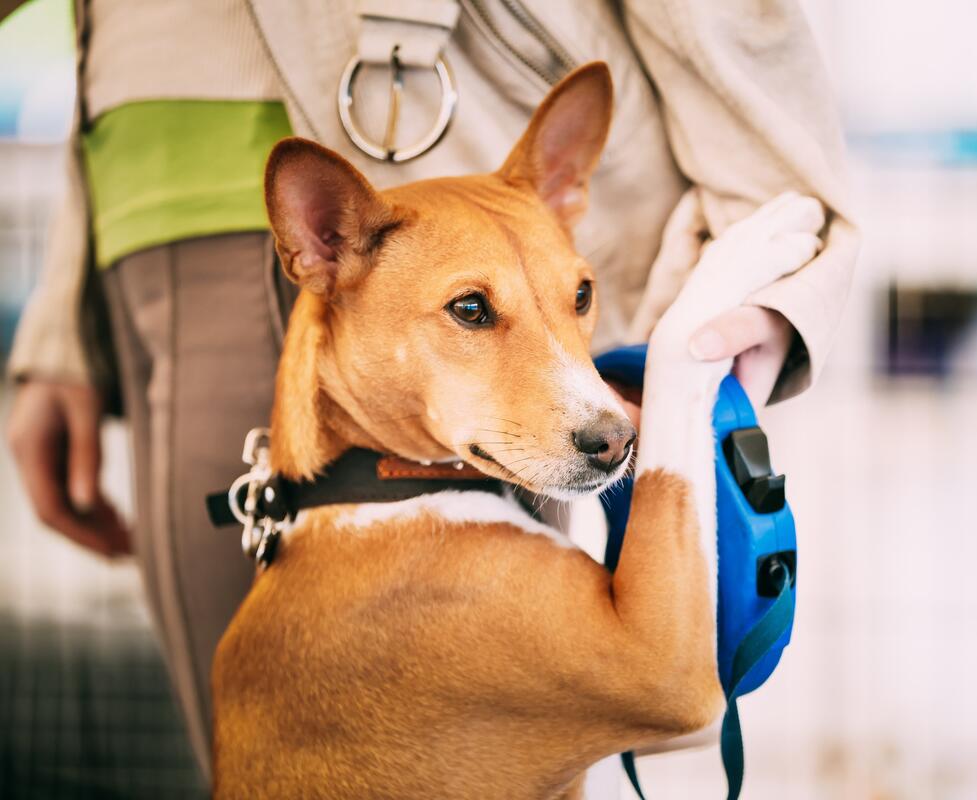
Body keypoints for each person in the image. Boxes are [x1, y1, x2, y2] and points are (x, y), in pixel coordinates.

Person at [5, 0, 858, 782]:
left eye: (579, 296)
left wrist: (774, 197)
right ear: (317, 243)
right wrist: (682, 374)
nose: (595, 416)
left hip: (420, 116)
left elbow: (665, 709)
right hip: (156, 199)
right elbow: (676, 696)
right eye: (474, 313)